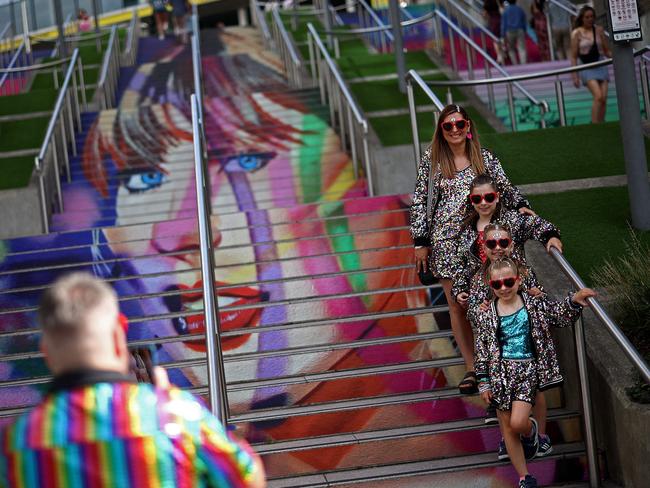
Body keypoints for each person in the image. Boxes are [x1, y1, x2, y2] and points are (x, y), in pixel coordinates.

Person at [0, 273, 266, 488]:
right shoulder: (177, 417)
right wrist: (164, 399)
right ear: (118, 332)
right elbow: (246, 478)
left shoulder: (14, 444)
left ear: (46, 350)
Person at [410, 104, 533, 395]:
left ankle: (496, 362)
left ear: (468, 126)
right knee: (457, 305)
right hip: (446, 244)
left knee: (488, 300)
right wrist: (420, 241)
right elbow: (420, 200)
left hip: (481, 242)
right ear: (441, 130)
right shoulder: (433, 161)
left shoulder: (485, 158)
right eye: (448, 126)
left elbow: (505, 188)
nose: (454, 130)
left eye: (459, 124)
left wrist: (523, 206)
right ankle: (471, 368)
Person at [475, 257, 596, 488]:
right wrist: (484, 382)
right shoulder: (486, 314)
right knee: (507, 426)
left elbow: (557, 314)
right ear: (490, 285)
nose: (504, 288)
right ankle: (524, 477)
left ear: (518, 281)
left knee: (518, 423)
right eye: (497, 284)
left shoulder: (533, 303)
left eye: (508, 282)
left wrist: (574, 301)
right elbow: (481, 350)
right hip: (500, 376)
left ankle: (532, 433)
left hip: (527, 370)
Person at [570, 6, 611, 123]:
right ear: (582, 18)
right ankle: (594, 124)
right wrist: (575, 76)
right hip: (586, 66)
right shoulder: (576, 33)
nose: (590, 19)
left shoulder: (599, 30)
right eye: (587, 17)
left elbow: (606, 50)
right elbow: (573, 56)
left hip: (600, 63)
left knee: (604, 98)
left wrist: (619, 58)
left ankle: (601, 122)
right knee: (598, 96)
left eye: (592, 17)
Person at [501, 0, 528, 64]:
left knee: (511, 48)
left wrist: (503, 34)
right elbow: (524, 20)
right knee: (522, 47)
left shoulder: (506, 11)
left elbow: (504, 23)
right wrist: (524, 30)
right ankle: (523, 63)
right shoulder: (519, 9)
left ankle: (514, 63)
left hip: (509, 30)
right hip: (519, 29)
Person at [483, 0, 505, 64]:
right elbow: (503, 8)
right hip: (501, 19)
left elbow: (484, 14)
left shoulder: (487, 2)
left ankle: (499, 56)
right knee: (502, 36)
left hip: (493, 21)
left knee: (495, 38)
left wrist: (487, 17)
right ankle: (503, 49)